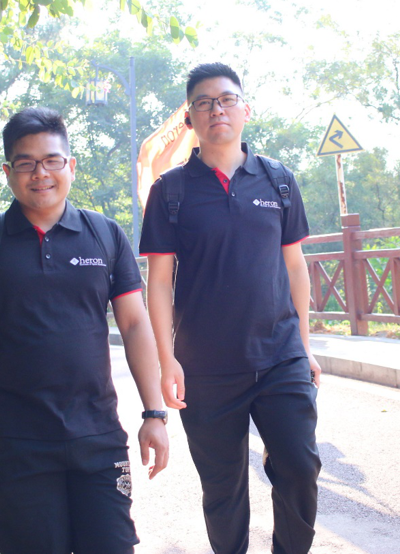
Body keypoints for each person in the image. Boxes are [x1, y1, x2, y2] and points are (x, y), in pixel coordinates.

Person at [0, 107, 168, 554]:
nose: (40, 173)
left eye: (51, 160)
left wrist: (154, 413)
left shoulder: (104, 235)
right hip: (15, 444)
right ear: (8, 172)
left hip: (98, 437)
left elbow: (133, 323)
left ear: (71, 166)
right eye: (26, 163)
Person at [140, 63, 321, 554]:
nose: (216, 109)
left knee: (300, 468)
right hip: (206, 368)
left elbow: (295, 267)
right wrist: (167, 360)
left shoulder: (278, 180)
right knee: (223, 491)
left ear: (245, 110)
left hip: (280, 355)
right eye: (203, 102)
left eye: (226, 99)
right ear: (190, 119)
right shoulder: (170, 190)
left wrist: (304, 347)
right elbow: (159, 282)